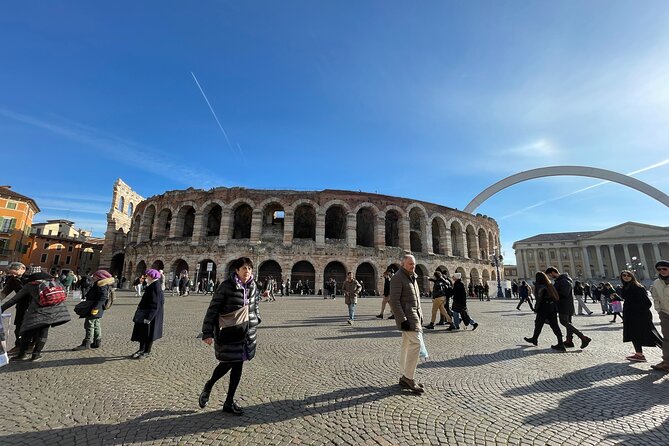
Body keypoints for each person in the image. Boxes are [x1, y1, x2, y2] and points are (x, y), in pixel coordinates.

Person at [199, 257, 261, 415]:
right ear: (237, 270)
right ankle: (209, 385)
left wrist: (256, 318)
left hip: (245, 333)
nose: (247, 271)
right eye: (244, 268)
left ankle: (229, 402)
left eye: (249, 268)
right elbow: (213, 309)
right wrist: (207, 332)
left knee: (238, 366)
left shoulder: (253, 285)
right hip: (228, 332)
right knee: (226, 364)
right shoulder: (226, 286)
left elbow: (255, 305)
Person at [1, 269, 71, 361]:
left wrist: (2, 308)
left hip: (36, 312)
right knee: (43, 333)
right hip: (52, 312)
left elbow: (14, 299)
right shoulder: (56, 282)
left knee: (27, 332)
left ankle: (22, 355)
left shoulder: (31, 285)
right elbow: (64, 294)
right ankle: (36, 355)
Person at [388, 254, 425, 394]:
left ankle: (404, 375)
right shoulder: (398, 277)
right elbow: (394, 300)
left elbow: (417, 299)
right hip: (408, 318)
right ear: (403, 264)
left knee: (407, 345)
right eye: (410, 264)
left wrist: (421, 315)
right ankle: (409, 377)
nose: (413, 266)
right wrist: (402, 319)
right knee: (416, 344)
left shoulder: (412, 276)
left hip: (415, 316)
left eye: (414, 263)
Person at [620, 270, 663, 362]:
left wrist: (636, 311)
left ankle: (666, 350)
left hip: (640, 316)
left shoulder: (637, 287)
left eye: (628, 275)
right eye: (624, 275)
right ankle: (639, 354)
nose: (626, 277)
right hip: (631, 316)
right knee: (633, 334)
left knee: (652, 334)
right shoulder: (626, 287)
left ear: (632, 276)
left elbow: (647, 303)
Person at [545, 267, 591, 349]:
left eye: (549, 275)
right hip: (566, 304)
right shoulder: (562, 280)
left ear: (553, 272)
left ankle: (583, 337)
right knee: (568, 323)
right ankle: (569, 341)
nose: (550, 277)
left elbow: (564, 293)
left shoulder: (564, 281)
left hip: (564, 305)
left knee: (564, 322)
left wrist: (554, 294)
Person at [72, 270, 114, 350]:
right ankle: (97, 341)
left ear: (99, 277)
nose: (93, 277)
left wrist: (96, 308)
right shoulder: (102, 284)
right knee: (96, 323)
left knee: (89, 324)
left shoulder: (101, 285)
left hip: (95, 307)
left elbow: (103, 297)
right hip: (97, 307)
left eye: (95, 276)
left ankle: (86, 343)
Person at [523, 271, 565, 351]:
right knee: (554, 325)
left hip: (544, 307)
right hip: (552, 307)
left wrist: (536, 308)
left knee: (538, 323)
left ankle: (534, 339)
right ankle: (561, 343)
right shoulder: (549, 285)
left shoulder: (540, 286)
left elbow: (539, 298)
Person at [130, 269, 164, 359]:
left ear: (152, 276)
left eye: (147, 276)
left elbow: (155, 304)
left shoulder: (156, 286)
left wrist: (149, 317)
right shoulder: (152, 285)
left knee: (149, 334)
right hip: (146, 312)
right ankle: (141, 349)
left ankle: (147, 351)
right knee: (143, 332)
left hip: (151, 315)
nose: (146, 277)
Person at [0, 262, 27, 355]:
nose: (13, 275)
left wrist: (3, 307)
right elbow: (4, 293)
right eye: (11, 273)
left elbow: (16, 297)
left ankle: (31, 345)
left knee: (32, 326)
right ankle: (18, 346)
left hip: (33, 305)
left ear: (22, 269)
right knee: (18, 326)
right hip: (21, 306)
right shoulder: (13, 280)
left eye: (14, 273)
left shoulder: (30, 277)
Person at [650, 260, 669, 372]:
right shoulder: (656, 283)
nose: (662, 271)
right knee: (667, 339)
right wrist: (659, 310)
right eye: (659, 269)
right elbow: (655, 297)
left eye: (664, 269)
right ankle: (666, 362)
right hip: (665, 313)